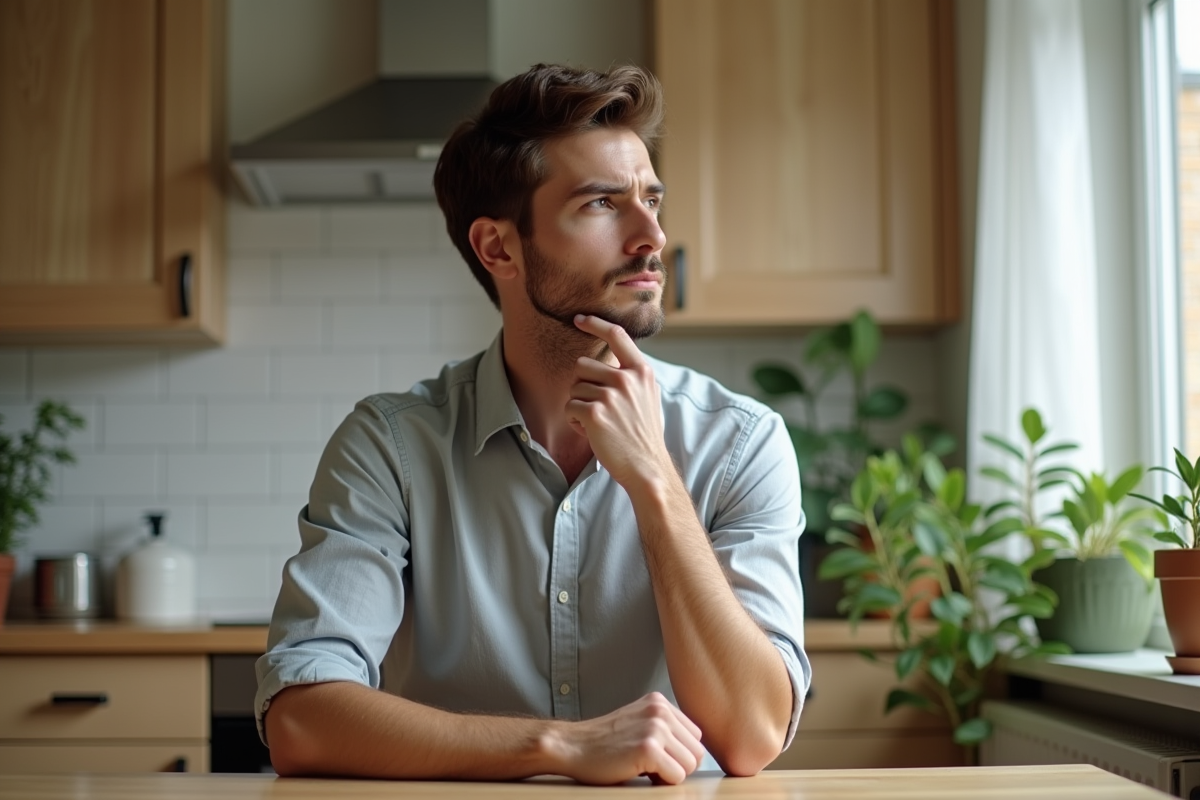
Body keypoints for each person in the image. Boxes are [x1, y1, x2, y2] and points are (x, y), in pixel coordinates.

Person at [255, 63, 810, 785]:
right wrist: (558, 746)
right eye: (603, 203)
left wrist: (655, 481)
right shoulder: (391, 446)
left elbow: (753, 734)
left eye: (652, 199)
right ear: (499, 248)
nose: (651, 236)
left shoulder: (740, 442)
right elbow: (300, 719)